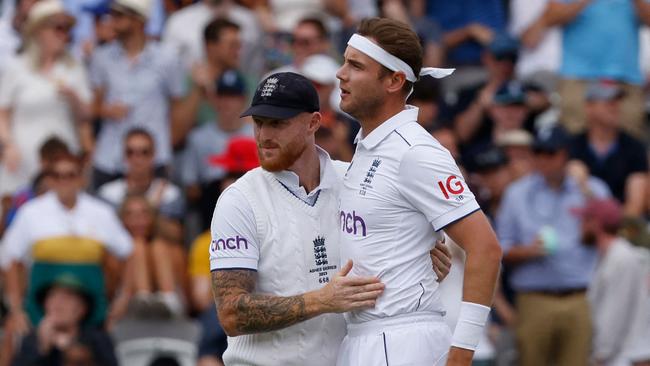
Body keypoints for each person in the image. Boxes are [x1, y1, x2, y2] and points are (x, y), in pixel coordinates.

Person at [210, 72, 452, 366]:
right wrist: (321, 300)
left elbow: (380, 274)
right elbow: (231, 313)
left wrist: (418, 270)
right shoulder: (239, 200)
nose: (263, 136)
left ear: (314, 122)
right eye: (258, 123)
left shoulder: (355, 180)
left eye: (278, 123)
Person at [334, 17, 502, 365]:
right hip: (365, 338)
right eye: (344, 61)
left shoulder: (415, 151)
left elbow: (485, 248)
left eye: (355, 65)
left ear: (394, 81)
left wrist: (461, 354)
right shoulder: (369, 147)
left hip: (399, 343)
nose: (341, 74)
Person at [496, 126, 611, 366]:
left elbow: (611, 230)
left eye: (551, 153)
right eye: (538, 153)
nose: (544, 160)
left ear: (565, 155)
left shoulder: (591, 189)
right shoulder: (517, 193)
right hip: (534, 298)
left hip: (580, 297)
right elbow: (500, 248)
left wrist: (586, 191)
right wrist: (528, 251)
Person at [1, 152, 133, 337]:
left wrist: (123, 299)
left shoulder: (101, 213)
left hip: (92, 313)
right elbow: (9, 257)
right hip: (39, 312)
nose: (64, 181)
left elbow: (128, 252)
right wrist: (16, 309)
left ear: (81, 179)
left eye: (70, 175)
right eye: (57, 176)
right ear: (50, 180)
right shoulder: (31, 213)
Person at [0, 0, 93, 197]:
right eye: (58, 28)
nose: (64, 35)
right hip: (22, 160)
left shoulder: (74, 67)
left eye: (67, 29)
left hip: (62, 161)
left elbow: (87, 115)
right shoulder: (16, 67)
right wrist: (7, 145)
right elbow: (2, 112)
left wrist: (73, 97)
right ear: (39, 31)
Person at [89, 0, 185, 188]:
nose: (112, 20)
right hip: (110, 157)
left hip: (154, 157)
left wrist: (167, 145)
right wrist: (106, 111)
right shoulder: (101, 57)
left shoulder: (167, 58)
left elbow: (177, 107)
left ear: (138, 20)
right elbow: (93, 106)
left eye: (119, 15)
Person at [188, 136, 259, 366]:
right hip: (224, 322)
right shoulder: (205, 240)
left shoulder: (276, 227)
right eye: (227, 176)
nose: (226, 184)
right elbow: (201, 300)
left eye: (236, 176)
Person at [536, 0, 650, 138]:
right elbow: (550, 18)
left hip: (625, 77)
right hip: (578, 77)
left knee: (630, 139)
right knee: (574, 135)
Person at [575, 198, 650, 366]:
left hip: (620, 358)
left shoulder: (620, 258)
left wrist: (599, 355)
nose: (579, 226)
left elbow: (614, 314)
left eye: (583, 220)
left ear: (595, 223)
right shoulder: (611, 255)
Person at [182, 70, 253, 229]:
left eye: (233, 96)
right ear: (214, 99)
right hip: (210, 206)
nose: (227, 102)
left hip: (252, 201)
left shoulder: (256, 136)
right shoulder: (198, 138)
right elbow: (191, 187)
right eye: (222, 95)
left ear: (243, 100)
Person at [568, 82, 648, 218]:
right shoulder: (572, 146)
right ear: (589, 107)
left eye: (617, 101)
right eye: (608, 102)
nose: (615, 107)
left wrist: (610, 230)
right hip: (580, 222)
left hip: (621, 227)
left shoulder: (634, 147)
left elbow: (635, 204)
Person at [10, 273, 118, 366]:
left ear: (82, 308)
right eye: (52, 296)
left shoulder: (98, 339)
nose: (57, 303)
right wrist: (43, 348)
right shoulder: (31, 340)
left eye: (66, 298)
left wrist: (72, 349)